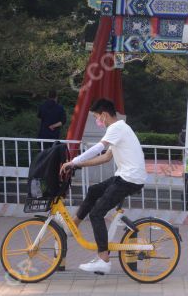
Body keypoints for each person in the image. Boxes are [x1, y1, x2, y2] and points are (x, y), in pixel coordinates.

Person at [59, 98, 147, 274]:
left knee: (97, 213)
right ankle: (73, 225)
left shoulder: (116, 128)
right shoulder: (120, 129)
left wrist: (74, 160)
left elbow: (99, 148)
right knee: (94, 190)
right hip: (125, 177)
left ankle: (103, 259)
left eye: (97, 117)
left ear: (104, 115)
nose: (98, 121)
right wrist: (78, 165)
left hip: (129, 179)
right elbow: (106, 157)